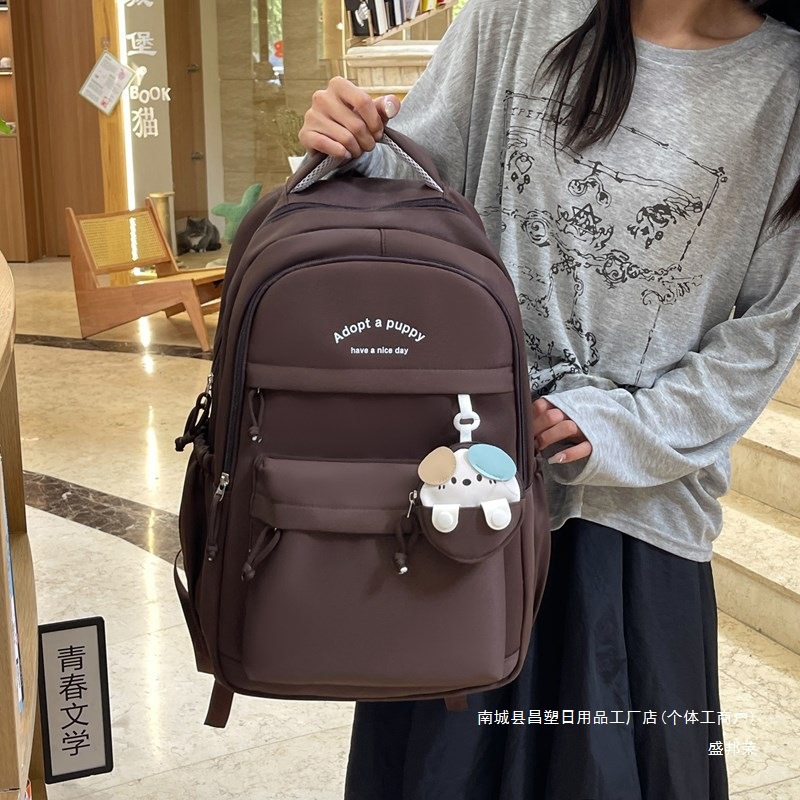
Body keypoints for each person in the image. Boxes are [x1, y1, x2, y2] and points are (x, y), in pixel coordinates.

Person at [299, 1, 800, 797]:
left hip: (637, 525)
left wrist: (623, 427)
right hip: (465, 493)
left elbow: (769, 332)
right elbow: (408, 192)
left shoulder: (784, 82)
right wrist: (346, 144)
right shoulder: (517, 15)